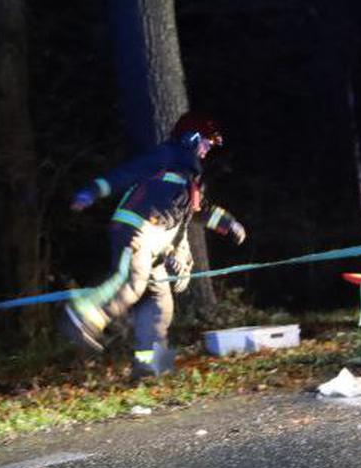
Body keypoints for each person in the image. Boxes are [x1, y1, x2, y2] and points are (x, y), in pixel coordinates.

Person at [63, 111, 248, 377]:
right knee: (132, 282)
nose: (208, 149)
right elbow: (125, 173)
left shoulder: (190, 176)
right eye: (206, 142)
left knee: (161, 305)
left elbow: (196, 211)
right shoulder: (166, 155)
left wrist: (228, 223)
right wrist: (92, 191)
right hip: (134, 229)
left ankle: (151, 368)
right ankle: (80, 317)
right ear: (191, 138)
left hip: (154, 246)